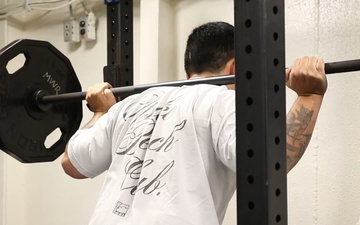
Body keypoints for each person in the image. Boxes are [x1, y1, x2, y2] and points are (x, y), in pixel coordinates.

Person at [61, 21, 327, 225]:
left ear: (187, 69)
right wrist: (309, 95)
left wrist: (100, 112)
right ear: (236, 68)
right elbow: (271, 163)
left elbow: (72, 163)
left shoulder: (129, 105)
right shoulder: (221, 101)